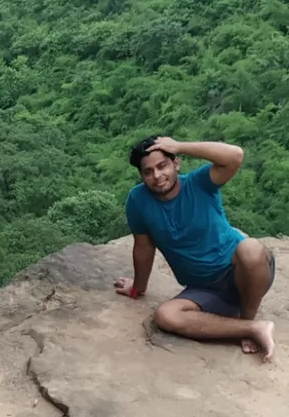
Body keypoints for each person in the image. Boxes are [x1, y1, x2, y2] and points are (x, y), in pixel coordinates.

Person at [115, 135, 276, 361]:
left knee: (251, 248)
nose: (157, 176)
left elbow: (235, 156)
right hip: (205, 291)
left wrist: (180, 146)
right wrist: (137, 288)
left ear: (176, 163)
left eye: (162, 166)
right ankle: (252, 329)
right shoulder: (138, 201)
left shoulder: (200, 183)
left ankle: (248, 318)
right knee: (165, 316)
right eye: (148, 171)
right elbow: (143, 248)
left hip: (244, 274)